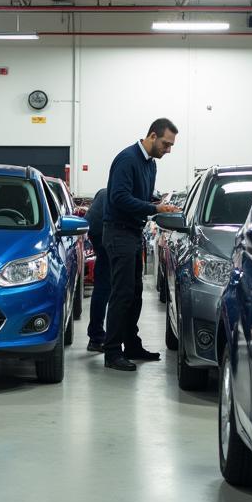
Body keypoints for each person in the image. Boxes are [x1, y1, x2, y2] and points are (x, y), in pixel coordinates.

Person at [102, 119, 179, 372]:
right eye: (166, 144)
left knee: (134, 295)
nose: (168, 150)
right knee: (121, 294)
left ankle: (131, 345)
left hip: (133, 234)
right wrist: (154, 208)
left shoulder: (150, 164)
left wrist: (159, 202)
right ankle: (112, 352)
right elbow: (119, 198)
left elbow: (143, 197)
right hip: (118, 233)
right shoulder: (127, 159)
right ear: (153, 136)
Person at [84, 188, 110, 353]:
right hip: (107, 234)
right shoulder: (126, 194)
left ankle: (96, 337)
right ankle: (98, 337)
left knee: (102, 287)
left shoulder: (102, 192)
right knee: (108, 288)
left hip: (96, 232)